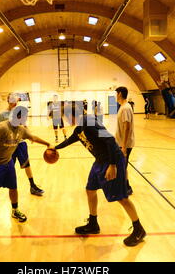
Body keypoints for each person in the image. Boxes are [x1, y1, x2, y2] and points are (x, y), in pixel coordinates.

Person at [54, 102, 146, 246]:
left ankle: (139, 229)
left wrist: (112, 165)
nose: (65, 120)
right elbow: (71, 140)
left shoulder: (89, 121)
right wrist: (55, 148)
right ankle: (93, 223)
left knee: (121, 198)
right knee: (90, 190)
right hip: (100, 161)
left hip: (112, 161)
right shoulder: (79, 128)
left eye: (66, 116)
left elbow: (109, 140)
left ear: (72, 115)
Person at [0, 106, 52, 230]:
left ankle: (15, 210)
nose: (25, 120)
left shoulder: (21, 129)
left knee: (13, 188)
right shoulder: (2, 127)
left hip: (8, 163)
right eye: (24, 118)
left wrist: (48, 144)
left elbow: (33, 137)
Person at [0, 93, 45, 196]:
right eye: (12, 100)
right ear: (8, 100)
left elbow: (24, 126)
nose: (14, 103)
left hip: (20, 143)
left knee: (26, 165)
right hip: (8, 145)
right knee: (9, 166)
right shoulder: (2, 114)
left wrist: (30, 135)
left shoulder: (19, 112)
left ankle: (32, 186)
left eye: (15, 101)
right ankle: (9, 186)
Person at [115, 87, 134, 195]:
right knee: (122, 165)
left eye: (116, 93)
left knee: (122, 166)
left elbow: (127, 126)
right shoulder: (123, 107)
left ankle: (125, 188)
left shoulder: (125, 108)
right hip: (122, 142)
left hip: (125, 144)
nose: (115, 96)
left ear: (120, 94)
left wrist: (123, 146)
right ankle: (126, 187)